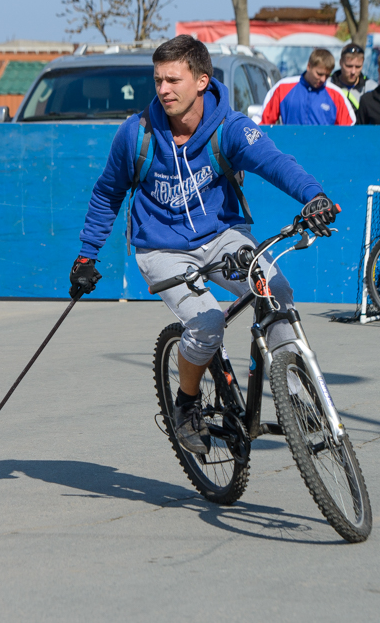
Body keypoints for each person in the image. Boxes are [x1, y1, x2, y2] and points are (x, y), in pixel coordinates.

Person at [68, 35, 338, 455]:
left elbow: (275, 162)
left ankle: (291, 394)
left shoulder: (229, 128)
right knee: (208, 321)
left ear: (201, 80)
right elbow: (107, 193)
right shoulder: (136, 134)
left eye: (173, 80)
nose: (163, 90)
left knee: (276, 292)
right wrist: (87, 255)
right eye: (157, 80)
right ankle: (186, 405)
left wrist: (313, 196)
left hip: (222, 236)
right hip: (160, 247)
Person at [259, 48, 355, 126]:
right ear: (309, 66)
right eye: (319, 74)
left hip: (324, 149)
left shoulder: (336, 94)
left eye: (327, 75)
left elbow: (350, 129)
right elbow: (262, 121)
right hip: (289, 148)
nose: (323, 79)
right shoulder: (283, 87)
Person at [330, 43, 377, 111]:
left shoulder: (372, 88)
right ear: (340, 63)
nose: (353, 72)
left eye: (358, 67)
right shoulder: (327, 84)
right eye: (349, 66)